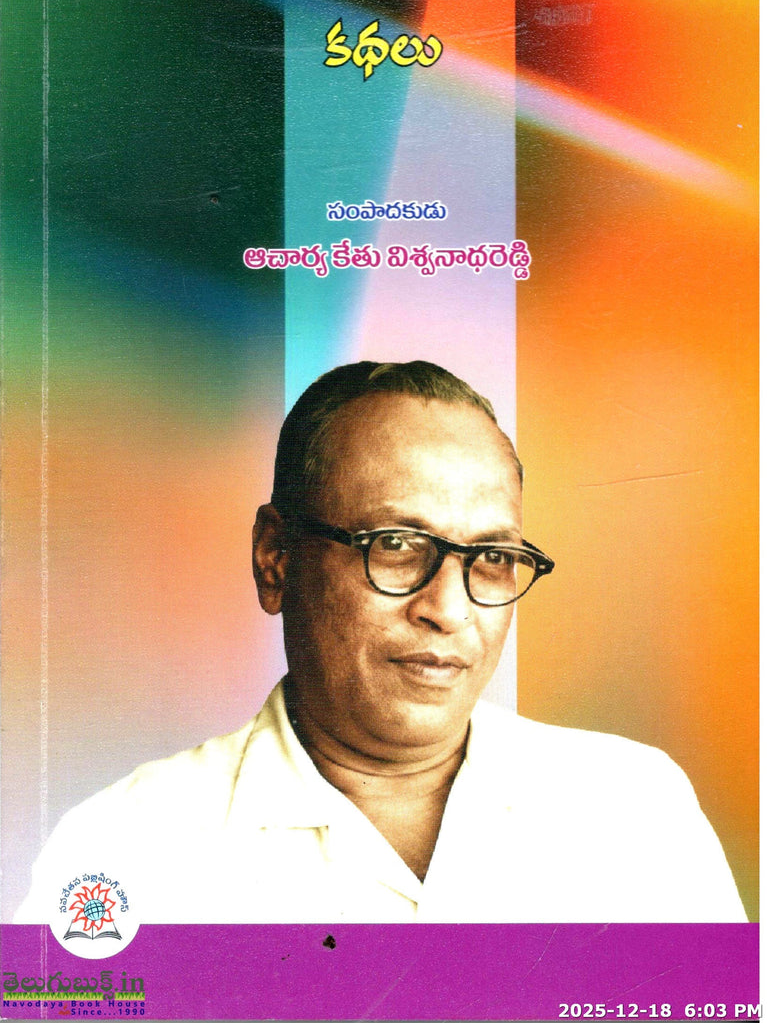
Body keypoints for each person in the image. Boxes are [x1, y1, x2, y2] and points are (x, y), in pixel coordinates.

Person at [15, 361, 745, 923]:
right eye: (394, 544)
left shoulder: (633, 810)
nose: (448, 609)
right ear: (276, 558)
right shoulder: (125, 848)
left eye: (492, 557)